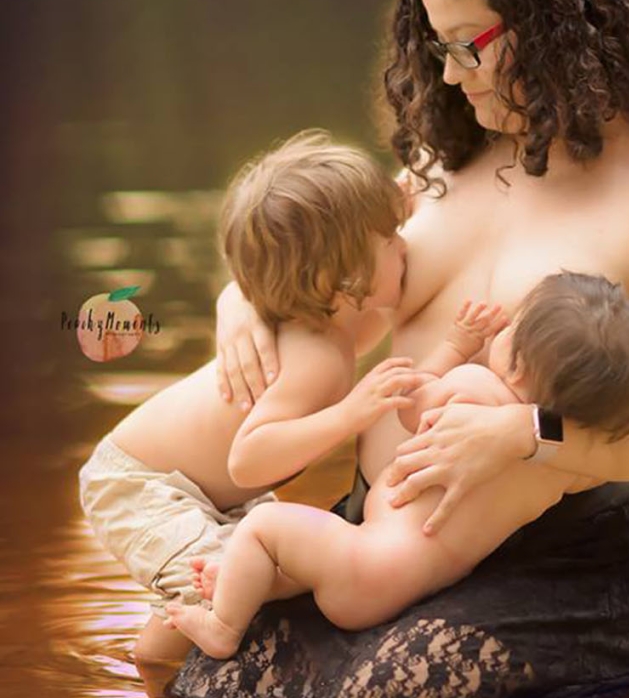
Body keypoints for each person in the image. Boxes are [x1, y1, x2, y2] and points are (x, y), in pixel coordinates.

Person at [168, 0, 629, 698]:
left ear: (557, 28)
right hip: (387, 530)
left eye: (467, 45)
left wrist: (527, 432)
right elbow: (323, 264)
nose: (446, 73)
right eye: (435, 46)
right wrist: (244, 303)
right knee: (213, 677)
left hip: (555, 552)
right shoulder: (444, 165)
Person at [165, 272, 629, 656]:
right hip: (419, 584)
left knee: (264, 524)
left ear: (519, 363)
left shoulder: (476, 389)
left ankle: (223, 627)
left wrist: (456, 348)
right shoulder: (561, 464)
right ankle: (258, 585)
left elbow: (411, 405)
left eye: (512, 328)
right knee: (301, 558)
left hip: (366, 560)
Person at [78, 132, 413, 663]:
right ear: (342, 273)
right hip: (142, 485)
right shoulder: (315, 355)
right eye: (389, 237)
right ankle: (160, 670)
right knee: (223, 591)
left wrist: (398, 202)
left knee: (243, 572)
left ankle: (150, 675)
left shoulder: (337, 320)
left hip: (206, 489)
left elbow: (385, 304)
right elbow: (250, 456)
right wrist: (350, 415)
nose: (406, 244)